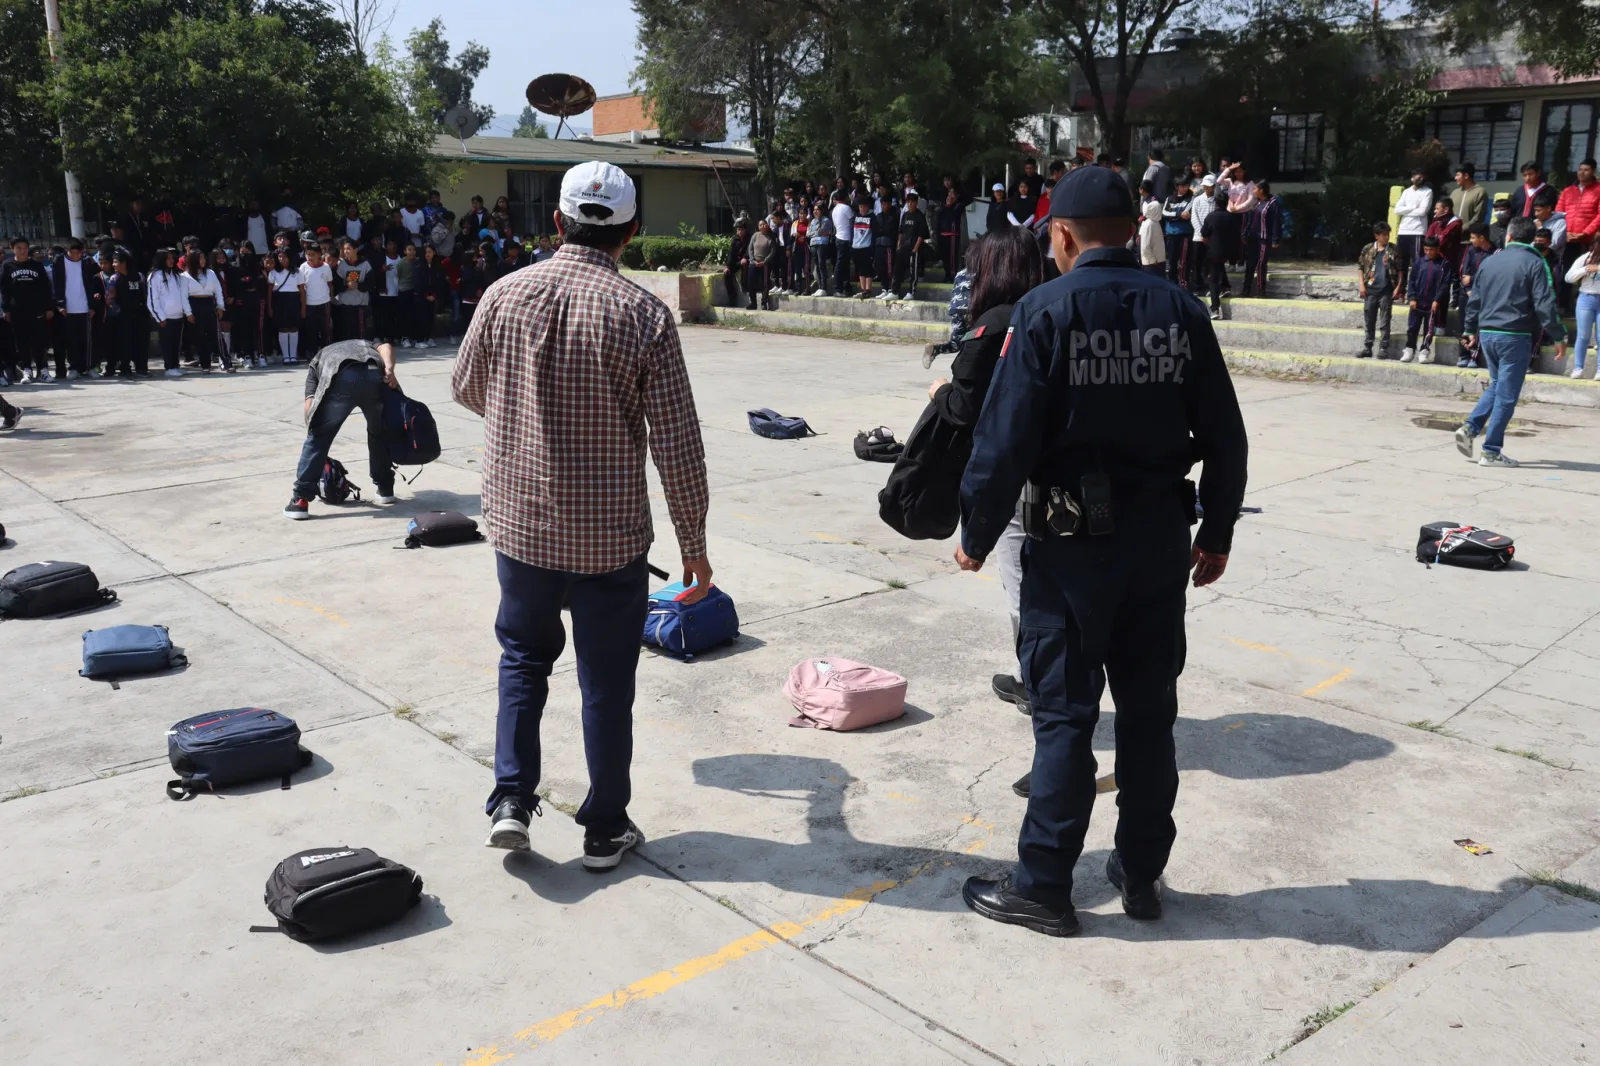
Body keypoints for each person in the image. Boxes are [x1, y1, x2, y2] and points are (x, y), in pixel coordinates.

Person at [955, 164, 1248, 937]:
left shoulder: (1044, 310)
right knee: (1150, 716)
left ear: (1060, 235)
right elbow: (1225, 436)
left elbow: (1004, 436)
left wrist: (976, 532)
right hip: (1157, 547)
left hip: (1068, 552)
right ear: (1130, 232)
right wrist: (1215, 532)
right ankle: (1142, 873)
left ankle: (1046, 885)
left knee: (1064, 717)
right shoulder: (1182, 311)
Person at [451, 160, 712, 867]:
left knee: (524, 660)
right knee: (606, 684)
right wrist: (694, 542)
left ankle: (511, 799)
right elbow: (677, 443)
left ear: (557, 223)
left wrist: (530, 417)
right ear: (631, 232)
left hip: (524, 528)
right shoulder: (644, 315)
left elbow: (467, 387)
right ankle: (604, 826)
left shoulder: (505, 295)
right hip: (609, 540)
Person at [923, 227, 1043, 713]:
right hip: (1068, 474)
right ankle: (1036, 675)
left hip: (1016, 481)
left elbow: (965, 406)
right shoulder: (1049, 313)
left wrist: (937, 393)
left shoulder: (993, 325)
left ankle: (1032, 681)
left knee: (1018, 580)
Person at [1456, 216, 1566, 466]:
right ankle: (1491, 450)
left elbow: (1475, 299)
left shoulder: (1489, 261)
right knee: (1507, 395)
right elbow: (1545, 304)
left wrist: (1469, 329)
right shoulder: (1536, 263)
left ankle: (1471, 428)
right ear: (1532, 239)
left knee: (1497, 385)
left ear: (1509, 236)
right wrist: (1558, 335)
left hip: (1488, 334)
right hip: (1514, 336)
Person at [283, 339, 400, 519]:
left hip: (341, 376)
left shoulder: (317, 361)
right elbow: (386, 347)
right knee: (379, 433)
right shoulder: (365, 343)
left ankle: (300, 501)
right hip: (373, 373)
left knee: (319, 437)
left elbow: (309, 410)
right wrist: (389, 370)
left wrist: (316, 434)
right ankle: (385, 489)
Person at [2, 238, 55, 385]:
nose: (22, 250)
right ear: (12, 249)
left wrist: (49, 307)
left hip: (37, 309)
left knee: (40, 341)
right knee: (22, 341)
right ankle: (27, 370)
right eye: (18, 247)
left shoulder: (36, 265)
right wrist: (5, 309)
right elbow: (4, 289)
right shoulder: (7, 265)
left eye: (24, 247)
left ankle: (43, 370)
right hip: (17, 310)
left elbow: (46, 288)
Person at [51, 238, 103, 380]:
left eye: (78, 252)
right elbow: (57, 284)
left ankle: (90, 367)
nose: (75, 255)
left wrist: (92, 305)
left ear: (82, 251)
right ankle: (74, 368)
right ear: (67, 251)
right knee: (71, 340)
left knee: (88, 340)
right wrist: (60, 304)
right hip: (68, 307)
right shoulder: (59, 261)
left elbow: (96, 280)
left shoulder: (87, 262)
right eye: (71, 252)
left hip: (85, 306)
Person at [1401, 236, 1453, 364]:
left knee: (1428, 329)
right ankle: (1409, 349)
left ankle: (1424, 351)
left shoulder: (1444, 264)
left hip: (1432, 303)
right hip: (1417, 302)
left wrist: (1437, 300)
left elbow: (1445, 285)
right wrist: (1412, 297)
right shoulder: (1418, 263)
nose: (1429, 252)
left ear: (1437, 249)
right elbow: (1412, 281)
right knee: (1412, 327)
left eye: (1431, 250)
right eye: (1426, 249)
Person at [1357, 222, 1401, 360]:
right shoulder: (1368, 248)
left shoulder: (1393, 250)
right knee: (1369, 319)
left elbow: (1400, 270)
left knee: (1385, 320)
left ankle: (1383, 348)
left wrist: (1398, 287)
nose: (1386, 237)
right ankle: (1368, 347)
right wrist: (1361, 285)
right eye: (1383, 235)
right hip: (1370, 289)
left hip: (1386, 290)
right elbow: (1360, 267)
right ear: (1377, 236)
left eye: (1388, 234)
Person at [181, 249, 227, 372]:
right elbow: (183, 296)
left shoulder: (210, 273)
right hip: (195, 304)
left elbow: (218, 290)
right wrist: (188, 313)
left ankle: (226, 362)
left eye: (204, 258)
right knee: (200, 336)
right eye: (200, 258)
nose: (203, 261)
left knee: (216, 335)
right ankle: (205, 364)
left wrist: (220, 306)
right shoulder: (185, 276)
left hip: (209, 303)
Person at [146, 250, 190, 378]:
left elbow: (182, 295)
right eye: (168, 258)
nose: (171, 260)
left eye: (172, 258)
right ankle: (169, 367)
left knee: (176, 343)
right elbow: (153, 299)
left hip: (178, 315)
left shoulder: (176, 275)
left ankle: (175, 365)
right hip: (165, 317)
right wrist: (160, 317)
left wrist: (185, 312)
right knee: (167, 343)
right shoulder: (155, 276)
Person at [108, 249, 149, 377]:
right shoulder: (115, 278)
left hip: (140, 314)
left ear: (124, 263)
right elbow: (109, 298)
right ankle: (125, 367)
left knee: (141, 341)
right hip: (124, 315)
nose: (114, 265)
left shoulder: (139, 276)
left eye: (116, 262)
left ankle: (141, 367)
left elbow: (145, 294)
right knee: (125, 342)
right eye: (113, 262)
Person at [1200, 189, 1240, 319]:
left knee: (1212, 280)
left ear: (1216, 203)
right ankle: (1226, 286)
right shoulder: (1231, 217)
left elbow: (1203, 233)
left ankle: (1215, 308)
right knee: (1219, 267)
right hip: (1228, 251)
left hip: (1213, 251)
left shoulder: (1211, 217)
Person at [1394, 169, 1433, 294]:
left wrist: (1407, 210)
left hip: (1417, 231)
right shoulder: (1406, 192)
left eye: (1422, 177)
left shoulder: (1427, 191)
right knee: (1401, 263)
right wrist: (1413, 207)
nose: (1420, 179)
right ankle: (1400, 290)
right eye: (1418, 177)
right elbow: (1397, 209)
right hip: (1403, 230)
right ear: (1412, 178)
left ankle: (1415, 291)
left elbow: (1423, 211)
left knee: (1416, 262)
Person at [1241, 181, 1282, 298]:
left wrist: (1275, 239)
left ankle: (1261, 290)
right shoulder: (1256, 203)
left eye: (1255, 189)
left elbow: (1276, 221)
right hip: (1253, 238)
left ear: (1261, 190)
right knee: (1250, 265)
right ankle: (1246, 290)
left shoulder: (1272, 203)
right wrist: (1245, 233)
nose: (1253, 191)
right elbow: (1251, 220)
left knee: (1260, 264)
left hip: (1264, 239)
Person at [1565, 242, 1600, 378]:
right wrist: (1585, 269)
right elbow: (1568, 277)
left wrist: (1597, 269)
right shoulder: (1586, 257)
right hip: (1586, 297)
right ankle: (1578, 368)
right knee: (1583, 335)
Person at [1426, 196, 1464, 308]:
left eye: (1437, 209)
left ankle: (1452, 301)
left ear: (1446, 209)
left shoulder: (1455, 223)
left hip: (1449, 260)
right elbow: (1428, 240)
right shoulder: (1436, 222)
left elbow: (1443, 240)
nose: (1435, 211)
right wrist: (1433, 242)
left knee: (1449, 283)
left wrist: (1435, 241)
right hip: (1436, 260)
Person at [298, 245, 333, 361]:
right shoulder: (303, 267)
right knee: (311, 330)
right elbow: (301, 287)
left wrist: (331, 298)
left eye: (313, 255)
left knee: (325, 329)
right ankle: (312, 353)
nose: (310, 257)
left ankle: (327, 352)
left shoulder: (326, 267)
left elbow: (330, 284)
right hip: (309, 303)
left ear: (319, 255)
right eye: (308, 255)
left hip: (324, 302)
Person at [893, 191, 930, 299]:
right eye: (908, 202)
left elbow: (921, 234)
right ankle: (894, 291)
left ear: (916, 203)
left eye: (912, 202)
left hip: (914, 247)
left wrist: (915, 249)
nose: (910, 204)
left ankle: (911, 292)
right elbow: (901, 231)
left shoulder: (919, 216)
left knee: (913, 270)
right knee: (897, 268)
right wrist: (898, 245)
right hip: (903, 246)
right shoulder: (905, 215)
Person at [268, 248, 303, 364]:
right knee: (283, 329)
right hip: (280, 302)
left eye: (285, 257)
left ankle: (293, 356)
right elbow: (269, 291)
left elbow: (302, 290)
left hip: (293, 300)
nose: (282, 259)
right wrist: (270, 307)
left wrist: (303, 307)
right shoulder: (273, 272)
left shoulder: (297, 272)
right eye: (280, 257)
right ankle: (286, 356)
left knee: (293, 328)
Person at [332, 241, 371, 342]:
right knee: (345, 331)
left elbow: (371, 283)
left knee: (360, 332)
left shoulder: (365, 264)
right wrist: (346, 286)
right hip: (345, 304)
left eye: (348, 249)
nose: (346, 251)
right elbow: (336, 284)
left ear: (356, 250)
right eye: (344, 249)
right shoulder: (341, 265)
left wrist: (359, 285)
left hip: (360, 303)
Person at [1161, 174, 1193, 288]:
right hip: (1171, 234)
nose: (1185, 188)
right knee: (1172, 260)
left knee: (1184, 261)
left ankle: (1184, 284)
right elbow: (1164, 213)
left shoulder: (1191, 198)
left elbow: (1187, 213)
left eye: (1187, 185)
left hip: (1185, 234)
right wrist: (1178, 214)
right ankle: (1172, 283)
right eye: (1182, 186)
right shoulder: (1169, 199)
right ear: (1177, 186)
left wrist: (1174, 216)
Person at [1187, 175, 1216, 297]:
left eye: (1209, 186)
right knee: (1196, 263)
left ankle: (1208, 286)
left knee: (1209, 263)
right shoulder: (1197, 200)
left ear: (1213, 187)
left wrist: (1209, 235)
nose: (1206, 188)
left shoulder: (1216, 200)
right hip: (1198, 237)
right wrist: (1202, 233)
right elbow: (1194, 218)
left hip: (1212, 237)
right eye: (1205, 186)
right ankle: (1197, 286)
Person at [936, 188, 965, 283]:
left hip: (952, 234)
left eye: (952, 193)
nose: (950, 195)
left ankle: (953, 275)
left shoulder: (958, 205)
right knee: (945, 256)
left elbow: (953, 216)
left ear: (956, 196)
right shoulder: (944, 205)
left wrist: (949, 205)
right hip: (943, 234)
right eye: (949, 193)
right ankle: (947, 274)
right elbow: (939, 216)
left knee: (952, 256)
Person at [746, 218, 776, 310]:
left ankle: (764, 302)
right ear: (758, 227)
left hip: (765, 264)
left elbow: (772, 251)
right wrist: (752, 260)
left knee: (764, 284)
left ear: (767, 225)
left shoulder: (771, 237)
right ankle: (753, 303)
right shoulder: (755, 235)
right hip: (754, 263)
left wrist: (765, 262)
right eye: (760, 225)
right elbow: (750, 249)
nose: (762, 226)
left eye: (764, 224)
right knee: (751, 283)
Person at [832, 193, 857, 298]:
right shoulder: (846, 208)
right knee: (840, 263)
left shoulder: (834, 209)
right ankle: (837, 288)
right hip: (845, 238)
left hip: (839, 237)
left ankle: (846, 287)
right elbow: (853, 220)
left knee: (845, 264)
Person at [807, 200, 834, 296]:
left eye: (817, 210)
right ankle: (819, 286)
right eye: (814, 210)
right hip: (813, 244)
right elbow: (808, 233)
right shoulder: (812, 221)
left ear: (821, 211)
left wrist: (816, 232)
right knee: (817, 266)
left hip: (822, 244)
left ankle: (823, 287)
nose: (815, 212)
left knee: (821, 265)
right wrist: (816, 232)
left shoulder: (826, 220)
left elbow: (821, 231)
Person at [1138, 200, 1165, 276]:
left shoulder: (1156, 222)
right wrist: (1152, 260)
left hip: (1159, 261)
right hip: (1152, 264)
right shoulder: (1149, 224)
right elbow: (1145, 246)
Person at [724, 220, 747, 308]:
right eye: (738, 230)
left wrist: (745, 257)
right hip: (737, 262)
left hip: (746, 260)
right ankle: (732, 296)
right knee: (727, 273)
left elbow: (750, 249)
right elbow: (731, 253)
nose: (740, 232)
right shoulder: (735, 239)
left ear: (745, 230)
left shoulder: (749, 238)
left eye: (741, 230)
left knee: (745, 263)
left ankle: (745, 285)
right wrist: (728, 266)